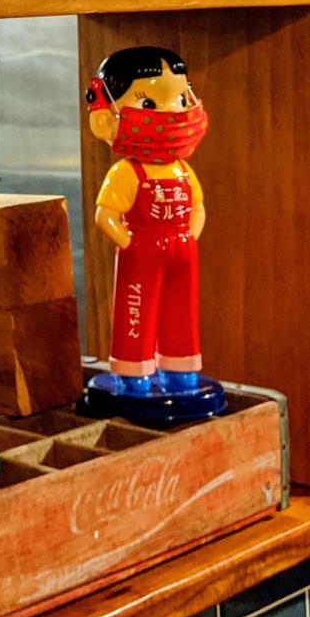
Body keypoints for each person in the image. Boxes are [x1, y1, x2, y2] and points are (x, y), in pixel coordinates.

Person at [85, 46, 208, 393]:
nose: (172, 111)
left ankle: (181, 367)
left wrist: (190, 236)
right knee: (135, 311)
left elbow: (198, 207)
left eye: (181, 99)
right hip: (142, 251)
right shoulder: (127, 172)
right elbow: (105, 215)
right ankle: (133, 371)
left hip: (181, 251)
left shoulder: (182, 169)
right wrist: (130, 244)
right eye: (150, 104)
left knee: (181, 312)